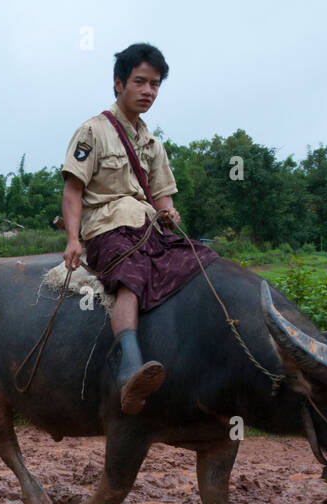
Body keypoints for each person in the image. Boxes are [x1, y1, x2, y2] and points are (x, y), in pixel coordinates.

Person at [61, 42, 218, 414]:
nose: (148, 91)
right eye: (140, 81)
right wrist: (72, 239)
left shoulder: (153, 145)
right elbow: (73, 189)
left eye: (156, 84)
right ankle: (129, 369)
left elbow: (162, 196)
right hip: (108, 230)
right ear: (119, 84)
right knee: (131, 276)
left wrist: (169, 213)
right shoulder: (92, 132)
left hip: (149, 229)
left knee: (202, 258)